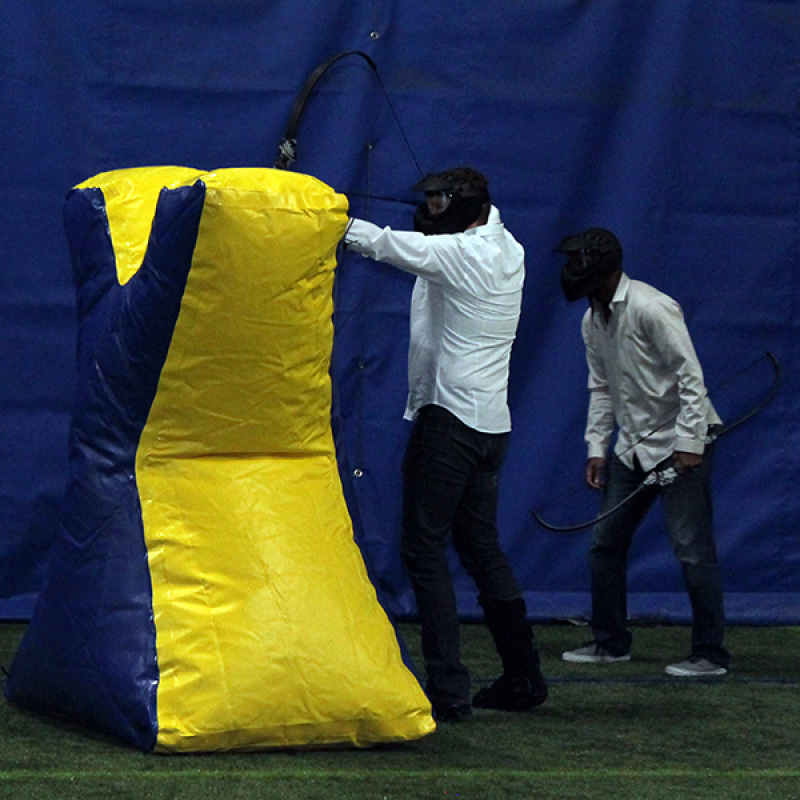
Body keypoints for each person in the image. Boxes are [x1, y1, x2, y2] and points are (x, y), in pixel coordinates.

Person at [343, 167, 548, 721]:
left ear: (466, 204)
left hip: (451, 423)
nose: (428, 209)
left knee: (423, 550)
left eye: (436, 201)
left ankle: (450, 690)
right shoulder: (509, 247)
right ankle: (523, 677)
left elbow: (384, 245)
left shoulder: (465, 255)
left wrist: (322, 215)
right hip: (491, 427)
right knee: (481, 548)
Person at [556, 227, 730, 677]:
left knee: (692, 549)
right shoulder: (592, 320)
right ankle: (611, 642)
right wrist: (598, 446)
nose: (570, 270)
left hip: (679, 445)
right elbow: (601, 387)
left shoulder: (653, 307)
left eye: (577, 261)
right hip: (631, 450)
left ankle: (710, 654)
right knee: (604, 545)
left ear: (601, 263)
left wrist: (690, 443)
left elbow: (691, 377)